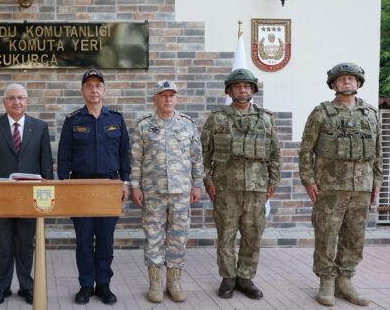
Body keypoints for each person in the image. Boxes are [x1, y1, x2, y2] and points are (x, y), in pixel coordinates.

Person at [298, 62, 381, 307]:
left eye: (352, 79)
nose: (347, 82)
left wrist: (377, 181)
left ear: (359, 84)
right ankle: (326, 282)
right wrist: (308, 180)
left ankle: (345, 282)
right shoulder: (321, 113)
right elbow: (306, 150)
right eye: (342, 79)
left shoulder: (371, 114)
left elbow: (378, 152)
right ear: (333, 85)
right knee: (326, 234)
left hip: (362, 187)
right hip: (330, 188)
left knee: (354, 237)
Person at [201, 68, 281, 300]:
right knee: (225, 234)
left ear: (253, 90)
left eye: (247, 86)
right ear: (229, 90)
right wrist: (208, 180)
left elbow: (275, 153)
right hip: (225, 187)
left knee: (253, 234)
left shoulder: (266, 119)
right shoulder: (217, 119)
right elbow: (204, 154)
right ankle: (228, 277)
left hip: (257, 187)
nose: (243, 90)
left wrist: (273, 180)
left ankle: (245, 277)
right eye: (238, 86)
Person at [57, 68, 130, 305]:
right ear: (82, 91)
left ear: (104, 90)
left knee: (106, 241)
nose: (94, 89)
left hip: (109, 186)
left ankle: (104, 285)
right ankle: (86, 285)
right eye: (89, 86)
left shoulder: (116, 119)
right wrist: (64, 185)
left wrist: (125, 182)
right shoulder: (73, 120)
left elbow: (124, 154)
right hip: (80, 187)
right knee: (84, 241)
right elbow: (64, 154)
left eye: (98, 85)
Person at [0, 83, 53, 306]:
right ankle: (2, 288)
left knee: (25, 244)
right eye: (12, 98)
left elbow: (46, 163)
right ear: (4, 102)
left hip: (30, 198)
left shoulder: (39, 127)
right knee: (3, 243)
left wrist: (47, 195)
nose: (16, 102)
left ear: (27, 101)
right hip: (0, 197)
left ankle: (27, 287)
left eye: (21, 98)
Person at [130, 80, 203, 303]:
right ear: (155, 99)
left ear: (176, 98)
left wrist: (197, 183)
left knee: (178, 237)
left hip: (181, 191)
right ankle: (155, 282)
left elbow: (196, 156)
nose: (168, 98)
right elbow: (135, 159)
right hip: (153, 191)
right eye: (163, 95)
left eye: (172, 95)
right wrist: (135, 185)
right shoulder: (143, 125)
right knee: (153, 236)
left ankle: (174, 281)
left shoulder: (187, 124)